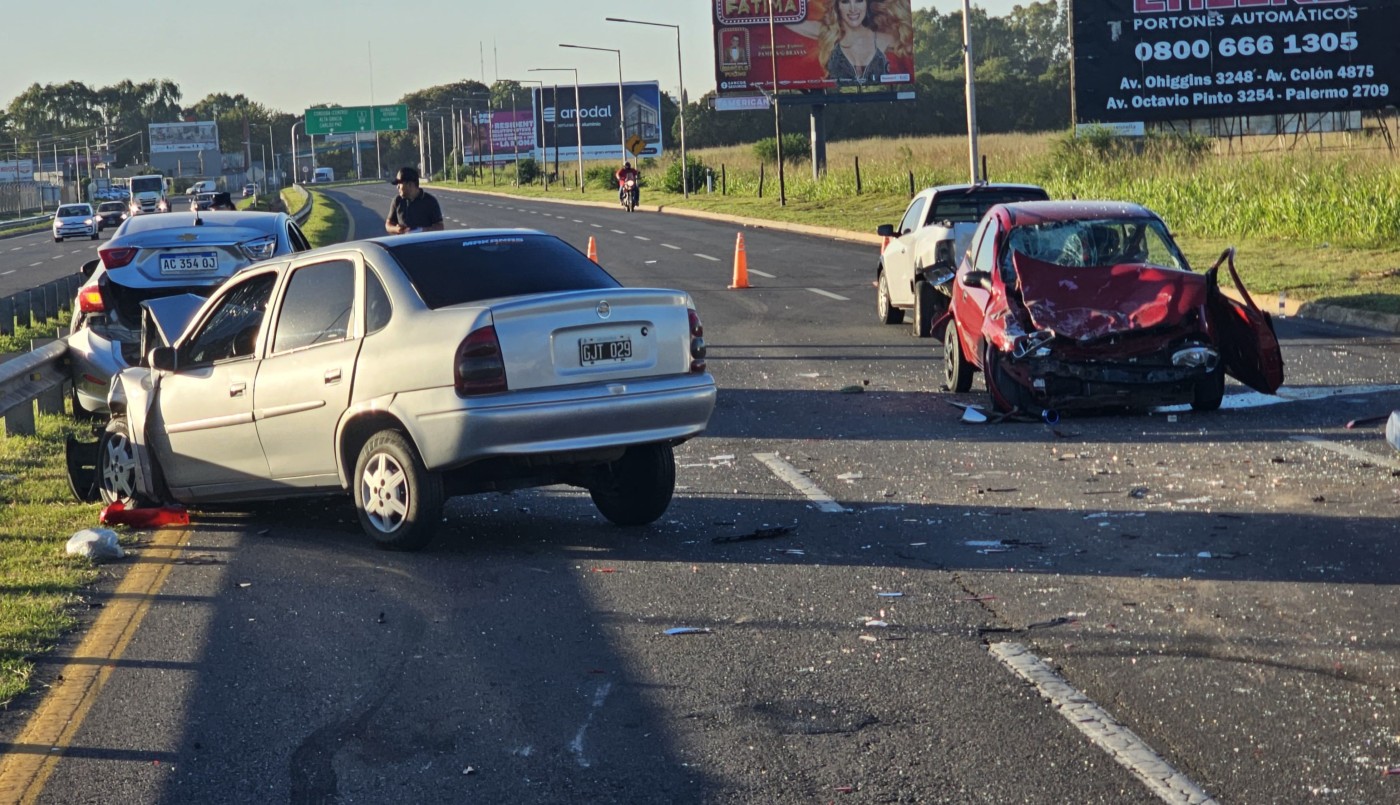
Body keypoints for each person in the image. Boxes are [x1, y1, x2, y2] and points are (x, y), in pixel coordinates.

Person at [385, 166, 444, 234]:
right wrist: (397, 229)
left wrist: (422, 230)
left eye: (400, 183)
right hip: (404, 240)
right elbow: (388, 224)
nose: (397, 187)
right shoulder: (397, 201)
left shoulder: (430, 201)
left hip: (423, 240)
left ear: (410, 184)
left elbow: (440, 226)